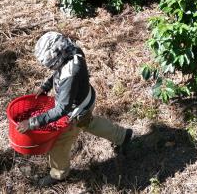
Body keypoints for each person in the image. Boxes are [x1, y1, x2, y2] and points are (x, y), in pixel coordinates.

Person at [16, 32, 133, 187]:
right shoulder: (72, 50)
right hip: (86, 100)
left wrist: (32, 122)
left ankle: (59, 173)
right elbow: (58, 72)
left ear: (58, 56)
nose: (50, 67)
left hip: (75, 111)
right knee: (90, 123)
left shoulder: (70, 75)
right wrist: (46, 85)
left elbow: (62, 109)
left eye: (50, 64)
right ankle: (123, 136)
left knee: (59, 143)